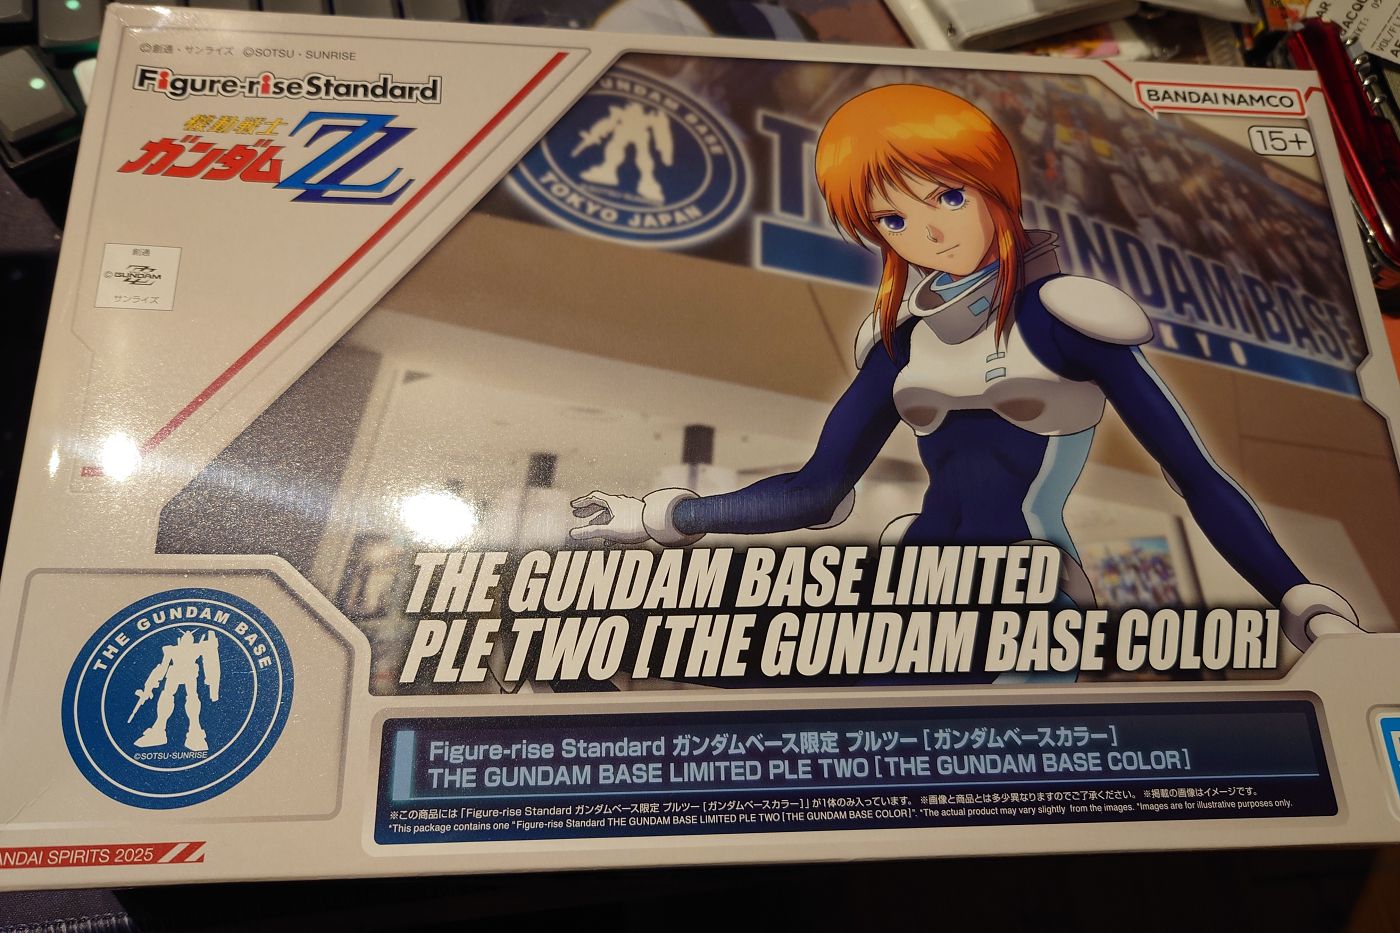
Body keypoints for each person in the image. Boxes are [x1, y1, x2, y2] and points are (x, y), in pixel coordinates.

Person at [569, 83, 1357, 652]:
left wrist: (1296, 595)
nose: (929, 232)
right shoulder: (899, 342)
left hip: (1026, 594)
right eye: (893, 216)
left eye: (948, 196)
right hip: (913, 585)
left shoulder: (1068, 316)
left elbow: (1195, 476)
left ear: (992, 188)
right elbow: (816, 490)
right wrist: (664, 517)